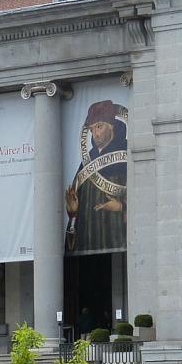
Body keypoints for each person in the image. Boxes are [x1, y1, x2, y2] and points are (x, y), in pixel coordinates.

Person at [65, 99, 128, 254]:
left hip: (118, 236)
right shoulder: (89, 159)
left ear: (111, 126)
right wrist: (73, 213)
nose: (96, 134)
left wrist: (122, 207)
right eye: (92, 129)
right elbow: (77, 204)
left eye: (99, 127)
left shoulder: (128, 151)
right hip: (90, 239)